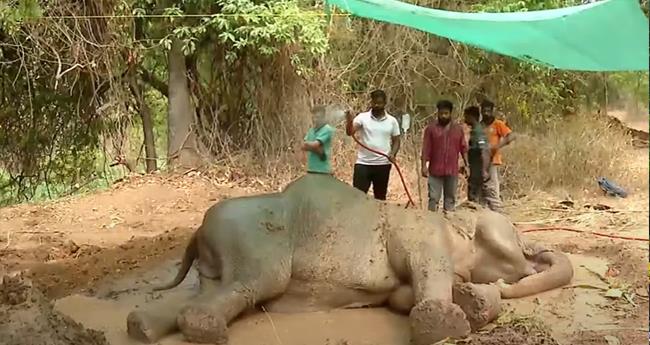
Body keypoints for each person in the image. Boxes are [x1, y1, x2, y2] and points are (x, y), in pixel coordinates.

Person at [345, 89, 401, 201]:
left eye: (380, 103)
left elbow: (396, 140)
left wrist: (393, 154)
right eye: (374, 102)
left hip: (382, 164)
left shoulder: (392, 121)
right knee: (357, 197)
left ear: (385, 103)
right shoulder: (362, 117)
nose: (377, 105)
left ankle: (378, 218)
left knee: (380, 198)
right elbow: (350, 132)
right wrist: (349, 120)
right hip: (363, 164)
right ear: (371, 102)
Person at [421, 100, 467, 212]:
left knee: (450, 199)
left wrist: (467, 165)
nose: (443, 116)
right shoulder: (431, 129)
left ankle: (448, 225)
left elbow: (464, 148)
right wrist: (423, 166)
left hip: (452, 170)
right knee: (433, 198)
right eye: (441, 113)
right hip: (435, 170)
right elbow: (426, 149)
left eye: (446, 113)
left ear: (450, 113)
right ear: (437, 113)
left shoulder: (458, 129)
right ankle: (431, 222)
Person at [480, 100, 515, 209]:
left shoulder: (497, 124)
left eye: (488, 111)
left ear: (492, 111)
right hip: (479, 160)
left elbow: (511, 136)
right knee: (481, 189)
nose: (486, 113)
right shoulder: (479, 125)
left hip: (492, 159)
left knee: (492, 187)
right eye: (484, 111)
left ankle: (497, 211)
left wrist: (497, 146)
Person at [463, 106, 492, 207]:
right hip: (474, 168)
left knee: (475, 198)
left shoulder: (478, 132)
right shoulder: (474, 131)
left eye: (466, 116)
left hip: (478, 170)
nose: (464, 119)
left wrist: (484, 170)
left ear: (472, 117)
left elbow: (484, 150)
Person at [302, 105, 335, 175]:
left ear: (323, 117)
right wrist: (317, 149)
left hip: (323, 170)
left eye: (318, 117)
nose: (315, 120)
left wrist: (310, 146)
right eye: (314, 117)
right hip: (311, 168)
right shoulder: (311, 130)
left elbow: (315, 144)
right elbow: (303, 146)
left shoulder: (327, 129)